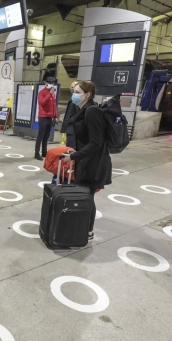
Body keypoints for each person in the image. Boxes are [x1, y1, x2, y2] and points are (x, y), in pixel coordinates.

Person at [61, 81, 112, 241]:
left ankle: (88, 231)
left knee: (87, 196)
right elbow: (86, 139)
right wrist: (77, 151)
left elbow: (95, 143)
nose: (73, 95)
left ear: (87, 95)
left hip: (94, 164)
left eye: (77, 92)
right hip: (87, 160)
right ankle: (85, 229)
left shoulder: (92, 111)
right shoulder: (84, 110)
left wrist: (73, 156)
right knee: (86, 196)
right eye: (73, 91)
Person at [35, 77, 58, 161]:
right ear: (46, 83)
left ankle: (44, 152)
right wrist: (49, 94)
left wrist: (55, 116)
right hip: (43, 117)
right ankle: (36, 153)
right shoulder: (42, 92)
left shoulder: (53, 94)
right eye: (49, 82)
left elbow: (54, 106)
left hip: (50, 117)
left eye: (52, 82)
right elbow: (42, 103)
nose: (51, 84)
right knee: (40, 135)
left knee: (46, 136)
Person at [60, 81, 79, 149]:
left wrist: (69, 120)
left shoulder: (77, 99)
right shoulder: (72, 98)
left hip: (73, 128)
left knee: (70, 148)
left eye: (73, 87)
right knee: (68, 147)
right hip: (69, 128)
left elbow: (78, 113)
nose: (71, 89)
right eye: (71, 87)